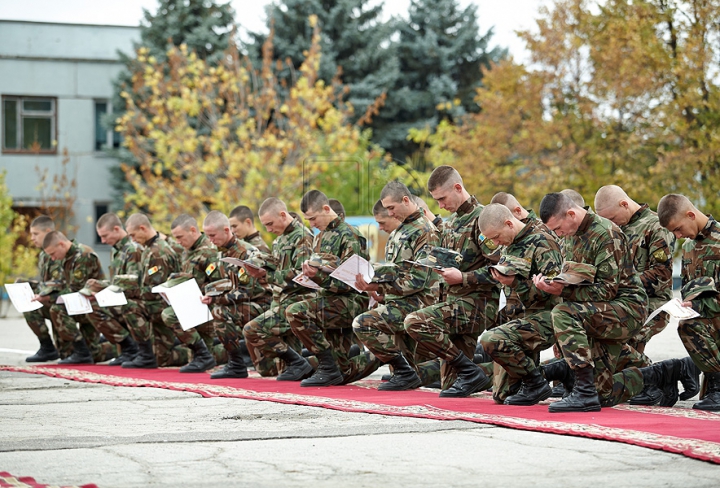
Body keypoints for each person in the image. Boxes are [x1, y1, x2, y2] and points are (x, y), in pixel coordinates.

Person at [535, 193, 650, 412]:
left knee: (563, 312)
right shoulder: (569, 234)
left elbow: (607, 290)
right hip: (598, 311)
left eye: (558, 228)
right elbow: (573, 277)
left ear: (571, 214)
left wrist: (564, 291)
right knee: (604, 396)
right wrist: (550, 283)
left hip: (627, 309)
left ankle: (584, 392)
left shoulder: (607, 233)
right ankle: (660, 374)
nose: (558, 234)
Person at [404, 166, 499, 397]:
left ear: (458, 188)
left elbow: (501, 270)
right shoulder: (450, 223)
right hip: (452, 303)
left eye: (442, 199)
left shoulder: (483, 219)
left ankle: (472, 371)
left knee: (414, 321)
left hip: (476, 305)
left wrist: (463, 277)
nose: (440, 206)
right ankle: (485, 371)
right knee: (450, 390)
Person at [352, 185, 441, 390]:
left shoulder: (425, 230)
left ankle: (407, 371)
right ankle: (407, 371)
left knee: (363, 323)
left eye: (392, 208)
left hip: (418, 304)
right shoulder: (400, 231)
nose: (390, 213)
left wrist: (380, 286)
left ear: (406, 201)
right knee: (413, 373)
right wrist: (375, 287)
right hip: (400, 302)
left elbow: (420, 280)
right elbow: (396, 271)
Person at [285, 190, 374, 387]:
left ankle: (328, 366)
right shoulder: (320, 237)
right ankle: (376, 357)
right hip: (329, 299)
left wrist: (317, 277)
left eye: (313, 218)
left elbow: (351, 283)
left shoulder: (350, 235)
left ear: (326, 209)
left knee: (296, 311)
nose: (311, 224)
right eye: (308, 220)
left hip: (351, 301)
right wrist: (309, 278)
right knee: (343, 373)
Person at [478, 204, 564, 405]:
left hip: (544, 317)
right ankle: (558, 370)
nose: (495, 242)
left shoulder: (543, 242)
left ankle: (536, 382)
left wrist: (516, 283)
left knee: (491, 340)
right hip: (517, 319)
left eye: (496, 237)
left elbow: (554, 292)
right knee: (501, 395)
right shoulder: (508, 244)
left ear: (509, 223)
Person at [657, 194, 720, 410]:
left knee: (689, 325)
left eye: (678, 229)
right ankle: (714, 384)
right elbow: (687, 288)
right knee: (686, 323)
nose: (678, 235)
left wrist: (700, 306)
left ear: (691, 215)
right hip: (710, 320)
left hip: (713, 317)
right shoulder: (688, 248)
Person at [594, 185, 675, 353]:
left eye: (613, 218)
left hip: (652, 302)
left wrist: (621, 285)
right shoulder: (615, 229)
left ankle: (664, 374)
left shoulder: (656, 226)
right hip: (621, 301)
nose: (611, 223)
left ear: (624, 204)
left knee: (624, 348)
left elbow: (662, 273)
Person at [242, 198, 313, 380]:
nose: (268, 229)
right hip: (280, 300)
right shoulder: (279, 240)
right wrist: (259, 265)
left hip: (298, 302)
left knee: (252, 329)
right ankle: (309, 362)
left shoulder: (303, 237)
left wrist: (266, 276)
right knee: (277, 371)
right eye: (265, 225)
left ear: (283, 215)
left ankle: (303, 362)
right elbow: (278, 266)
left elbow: (302, 275)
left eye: (270, 224)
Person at [202, 210, 272, 379]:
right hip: (241, 305)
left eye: (213, 235)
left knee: (220, 311)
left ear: (227, 230)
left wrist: (216, 299)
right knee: (267, 369)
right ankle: (232, 362)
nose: (210, 240)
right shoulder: (220, 253)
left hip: (260, 305)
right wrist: (211, 295)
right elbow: (223, 284)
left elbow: (248, 291)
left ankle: (236, 364)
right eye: (207, 236)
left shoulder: (246, 253)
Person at [121, 213, 187, 369]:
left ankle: (145, 355)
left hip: (163, 305)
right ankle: (192, 350)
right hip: (156, 305)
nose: (132, 239)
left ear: (143, 228)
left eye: (133, 235)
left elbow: (155, 291)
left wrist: (128, 292)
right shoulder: (150, 248)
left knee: (129, 306)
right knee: (162, 360)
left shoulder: (157, 252)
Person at [161, 214, 224, 373]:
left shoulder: (209, 251)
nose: (178, 241)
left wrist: (208, 294)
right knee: (210, 357)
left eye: (180, 237)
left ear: (193, 230)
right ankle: (207, 355)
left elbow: (220, 282)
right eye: (175, 238)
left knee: (169, 314)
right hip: (194, 307)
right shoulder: (187, 252)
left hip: (209, 308)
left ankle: (204, 355)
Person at [36, 231, 106, 364]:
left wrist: (48, 298)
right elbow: (61, 284)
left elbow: (75, 291)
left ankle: (85, 352)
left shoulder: (83, 256)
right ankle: (81, 351)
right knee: (67, 354)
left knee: (57, 309)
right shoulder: (65, 257)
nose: (52, 258)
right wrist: (43, 293)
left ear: (61, 244)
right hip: (80, 305)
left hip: (93, 307)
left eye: (52, 254)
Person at [84, 213, 143, 366]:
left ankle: (130, 348)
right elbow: (116, 281)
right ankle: (125, 348)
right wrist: (98, 285)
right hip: (120, 298)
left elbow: (132, 282)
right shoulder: (116, 250)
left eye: (105, 236)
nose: (103, 241)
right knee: (87, 302)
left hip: (134, 302)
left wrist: (104, 293)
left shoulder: (132, 249)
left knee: (95, 307)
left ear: (116, 229)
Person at [23, 216, 66, 362]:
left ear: (48, 231)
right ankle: (47, 347)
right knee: (28, 305)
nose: (32, 238)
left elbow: (60, 283)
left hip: (63, 300)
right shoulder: (43, 255)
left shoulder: (61, 250)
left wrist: (40, 290)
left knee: (77, 352)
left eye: (35, 234)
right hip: (51, 299)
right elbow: (47, 282)